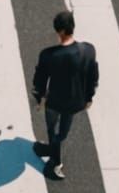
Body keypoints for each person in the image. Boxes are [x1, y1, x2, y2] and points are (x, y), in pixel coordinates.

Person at [31, 9, 98, 181]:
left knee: (52, 129)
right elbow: (93, 75)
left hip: (54, 102)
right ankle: (53, 147)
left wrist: (40, 99)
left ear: (59, 31)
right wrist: (89, 97)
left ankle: (55, 162)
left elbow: (40, 81)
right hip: (76, 102)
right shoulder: (88, 50)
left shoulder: (48, 55)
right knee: (63, 130)